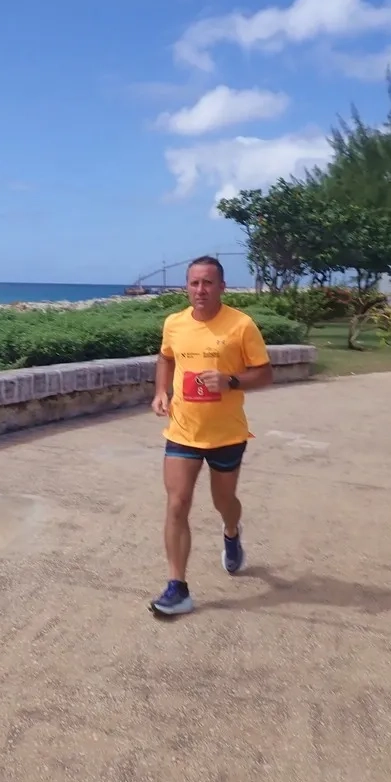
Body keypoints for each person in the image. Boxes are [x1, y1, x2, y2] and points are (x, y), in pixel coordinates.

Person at [148, 255, 274, 617]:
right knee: (177, 503)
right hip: (183, 430)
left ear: (221, 287)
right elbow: (165, 358)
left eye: (207, 283)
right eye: (194, 283)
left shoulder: (241, 325)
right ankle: (177, 587)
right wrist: (161, 392)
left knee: (224, 501)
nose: (200, 290)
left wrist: (230, 380)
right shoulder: (174, 323)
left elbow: (265, 374)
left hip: (226, 434)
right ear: (186, 287)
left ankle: (231, 531)